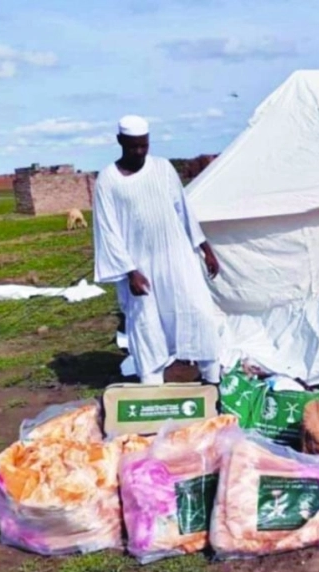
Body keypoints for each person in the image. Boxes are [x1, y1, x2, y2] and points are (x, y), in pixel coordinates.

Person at [92, 114, 221, 385]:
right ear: (119, 142)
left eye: (143, 145)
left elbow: (184, 210)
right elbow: (108, 230)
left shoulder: (163, 168)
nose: (139, 152)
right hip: (139, 268)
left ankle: (212, 381)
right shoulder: (108, 180)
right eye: (132, 146)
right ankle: (152, 386)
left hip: (177, 259)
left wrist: (205, 248)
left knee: (199, 313)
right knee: (146, 325)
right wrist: (130, 273)